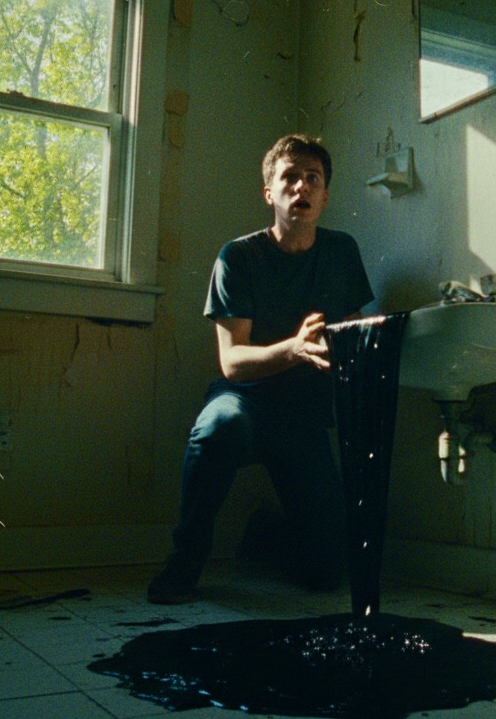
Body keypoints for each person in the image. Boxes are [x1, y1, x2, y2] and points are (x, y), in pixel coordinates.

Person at [147, 134, 374, 604]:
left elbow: (351, 338)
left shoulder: (341, 253)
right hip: (245, 401)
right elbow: (232, 362)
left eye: (312, 178)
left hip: (304, 417)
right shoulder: (239, 257)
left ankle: (266, 533)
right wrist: (294, 348)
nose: (301, 187)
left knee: (327, 573)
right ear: (269, 192)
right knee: (218, 427)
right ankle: (186, 557)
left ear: (326, 196)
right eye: (289, 177)